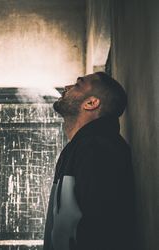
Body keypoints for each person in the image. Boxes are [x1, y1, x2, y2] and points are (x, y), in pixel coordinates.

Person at [43, 72, 135, 250]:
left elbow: (102, 231)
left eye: (77, 85)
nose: (66, 88)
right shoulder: (82, 146)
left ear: (92, 103)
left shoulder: (98, 147)